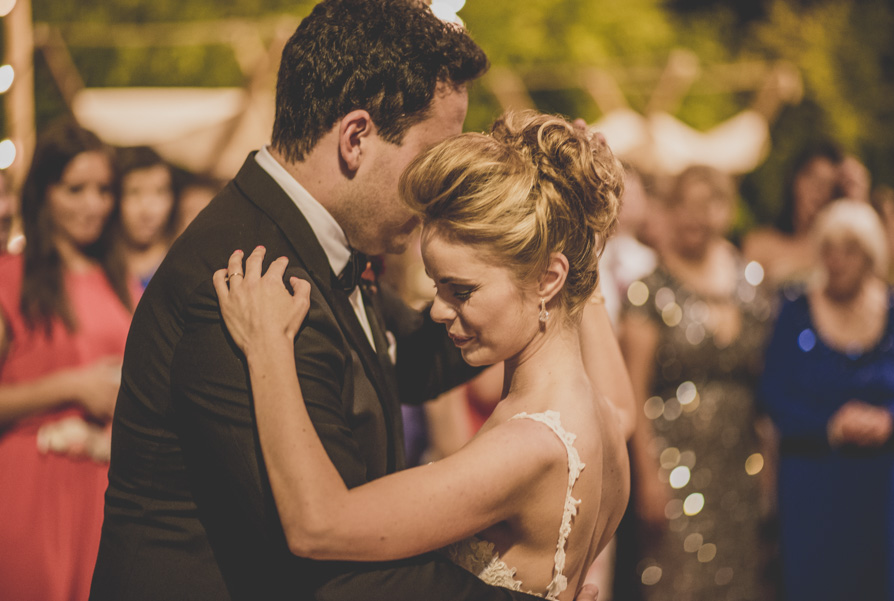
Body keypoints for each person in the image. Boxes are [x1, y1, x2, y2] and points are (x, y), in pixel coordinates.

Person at [90, 3, 617, 600]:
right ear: (357, 138)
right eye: (430, 160)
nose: (435, 191)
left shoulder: (330, 251)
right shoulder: (245, 281)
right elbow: (318, 566)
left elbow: (435, 347)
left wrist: (562, 226)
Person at [214, 111, 632, 601]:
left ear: (547, 278)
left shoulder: (529, 445)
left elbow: (318, 526)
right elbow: (623, 406)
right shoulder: (605, 419)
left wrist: (266, 345)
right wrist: (579, 228)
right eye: (437, 286)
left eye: (461, 290)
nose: (436, 310)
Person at [617, 165, 773, 601]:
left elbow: (765, 384)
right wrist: (647, 476)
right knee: (677, 582)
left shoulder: (750, 282)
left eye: (706, 204)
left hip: (740, 462)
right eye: (682, 204)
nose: (693, 216)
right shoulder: (648, 289)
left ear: (725, 209)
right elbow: (633, 390)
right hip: (673, 462)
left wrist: (769, 462)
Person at [0, 121, 136, 601]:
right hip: (33, 484)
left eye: (104, 190)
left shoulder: (119, 283)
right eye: (75, 189)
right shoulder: (10, 279)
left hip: (106, 487)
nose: (94, 204)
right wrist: (71, 386)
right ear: (44, 193)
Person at [759, 200, 894, 601]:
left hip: (881, 483)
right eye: (829, 248)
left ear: (871, 256)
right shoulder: (795, 310)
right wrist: (828, 424)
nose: (836, 261)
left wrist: (889, 418)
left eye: (849, 249)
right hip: (813, 480)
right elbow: (772, 393)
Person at [743, 142, 869, 290]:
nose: (817, 189)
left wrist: (859, 200)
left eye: (828, 183)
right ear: (794, 180)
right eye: (811, 177)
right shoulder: (760, 243)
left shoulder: (838, 254)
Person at [115, 145, 177, 290]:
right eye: (134, 192)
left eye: (159, 192)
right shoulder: (96, 266)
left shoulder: (183, 263)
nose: (147, 210)